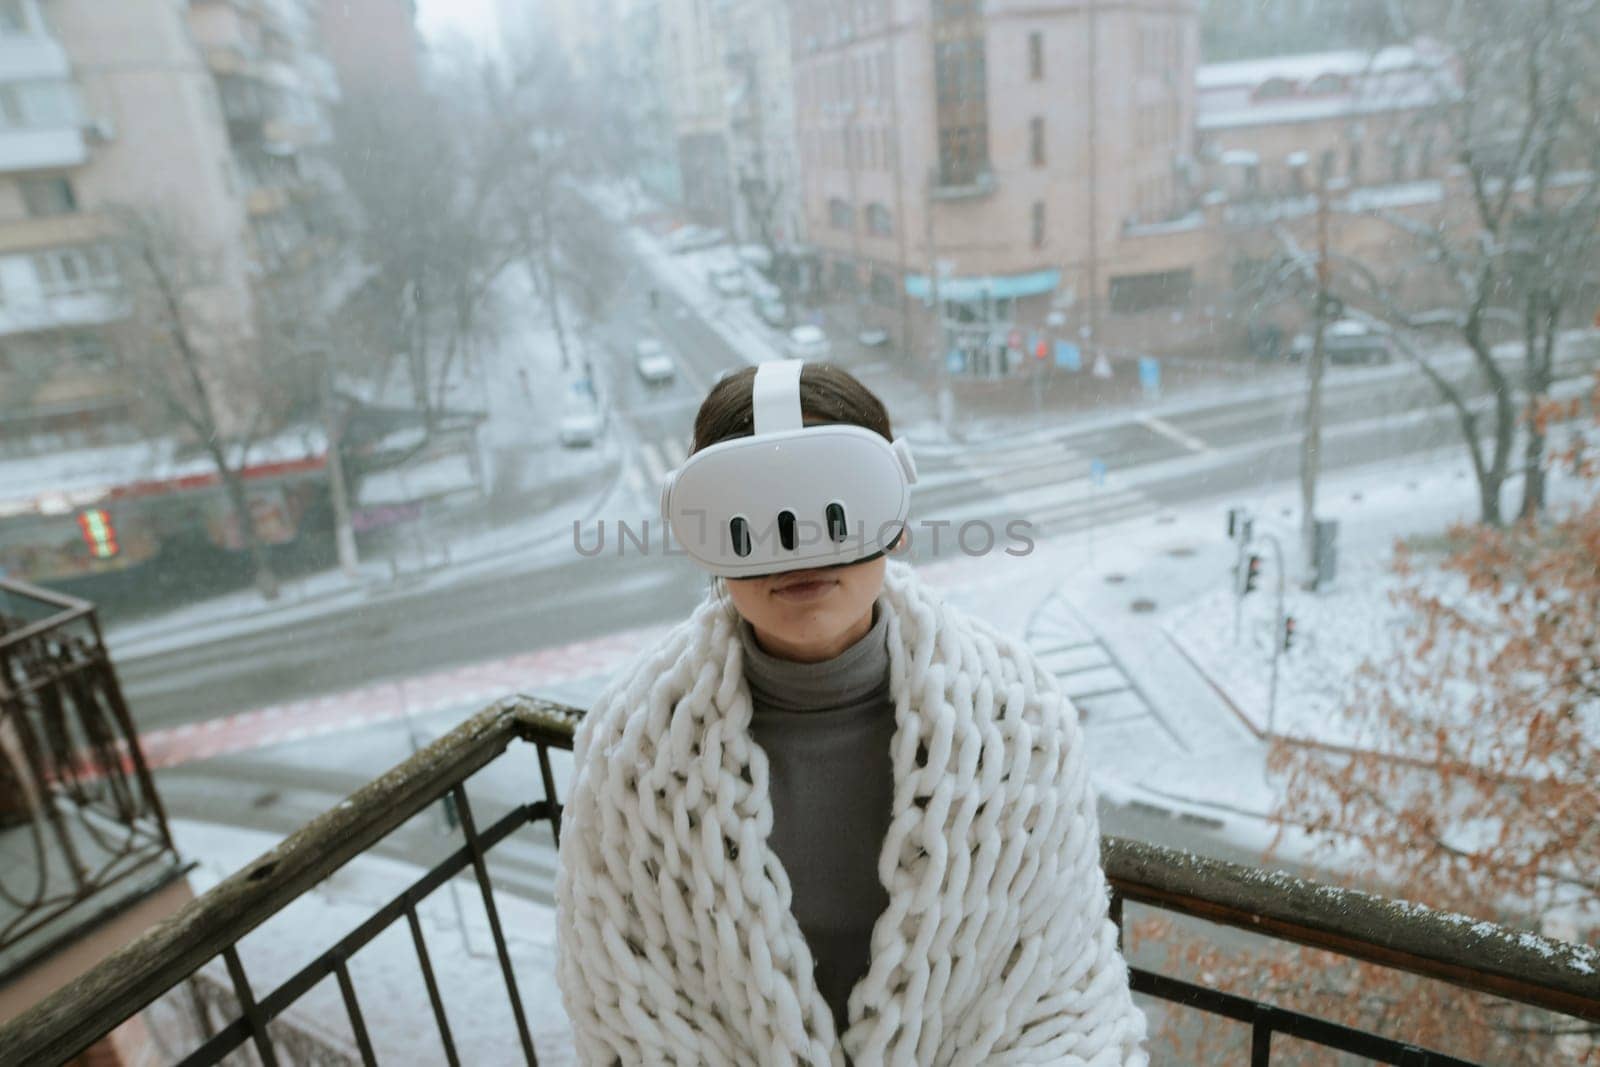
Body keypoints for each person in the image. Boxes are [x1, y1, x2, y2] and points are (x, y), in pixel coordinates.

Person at [555, 362, 1148, 1065]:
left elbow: (1064, 998)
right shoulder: (631, 761)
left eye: (838, 506)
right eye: (748, 516)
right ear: (703, 538)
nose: (797, 543)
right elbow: (626, 1014)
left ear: (895, 520)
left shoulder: (1020, 732)